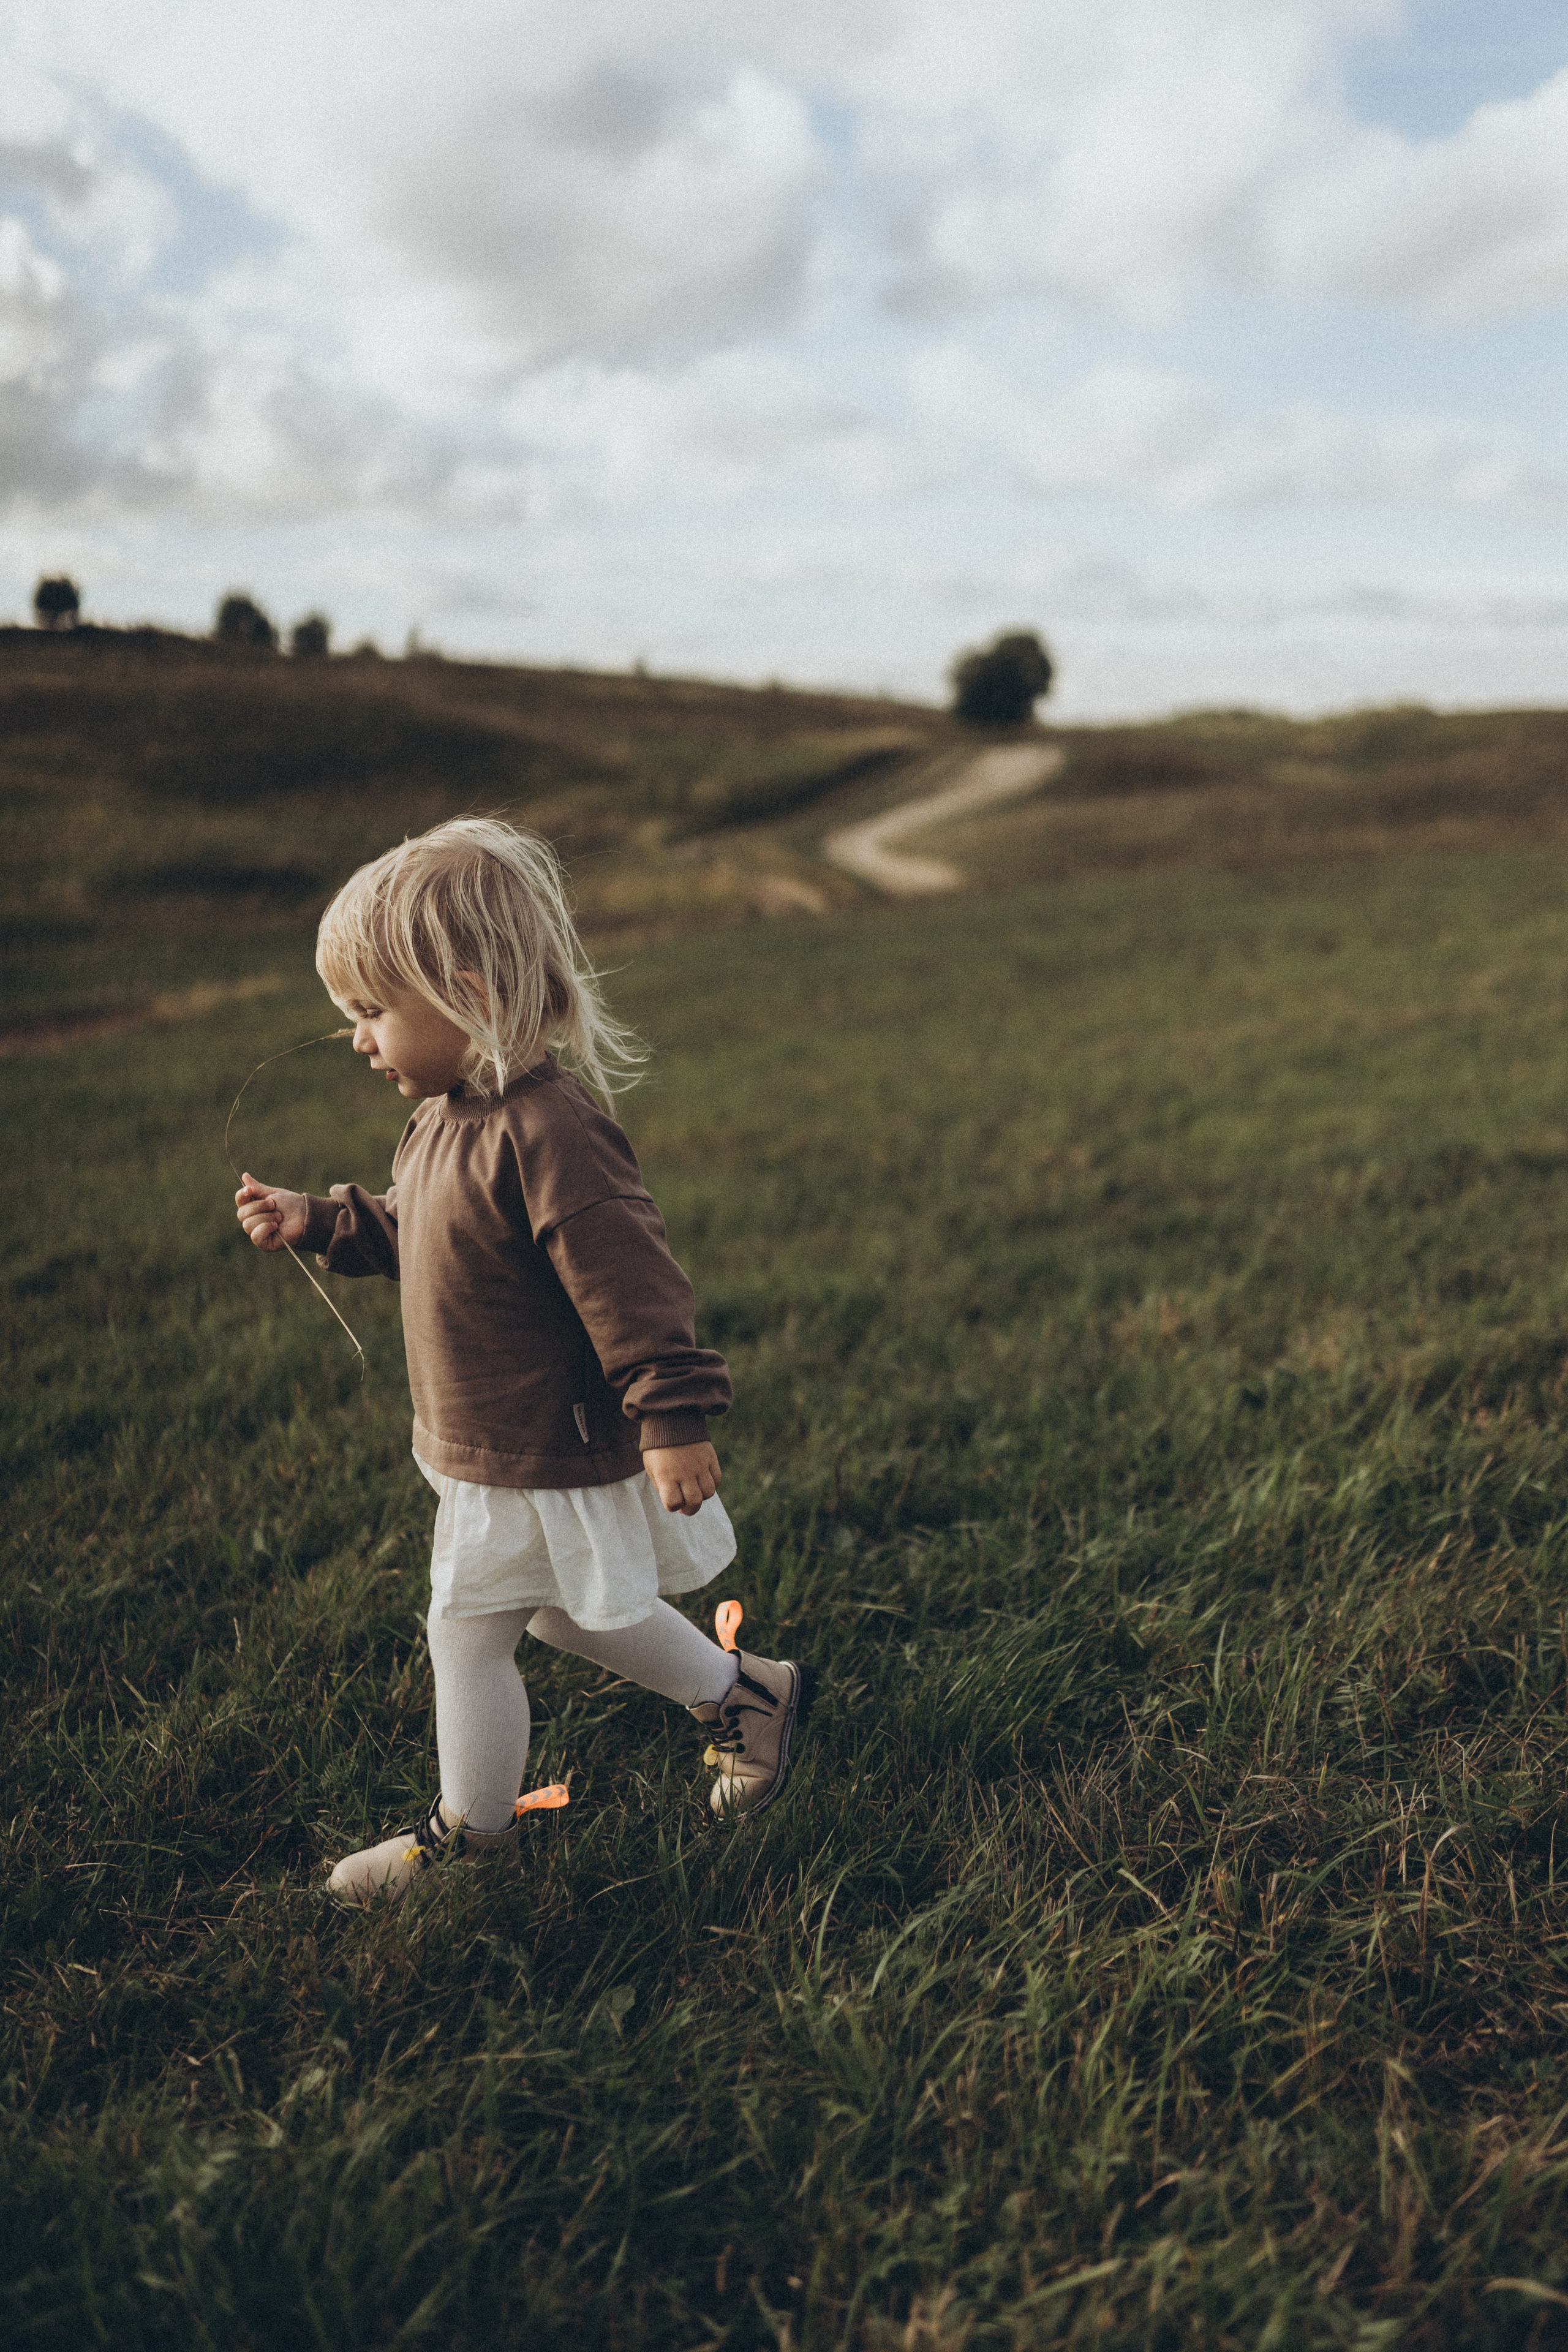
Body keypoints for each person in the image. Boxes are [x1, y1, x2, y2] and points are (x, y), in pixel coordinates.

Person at [235, 816, 811, 1904]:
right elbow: (421, 1226)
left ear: (461, 993)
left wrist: (672, 1415)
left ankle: (474, 1839)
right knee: (563, 1610)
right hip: (493, 1438)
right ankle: (750, 1699)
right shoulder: (442, 1120)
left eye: (371, 1011)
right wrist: (320, 1220)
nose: (358, 1040)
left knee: (465, 1634)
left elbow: (633, 1281)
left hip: (546, 1439)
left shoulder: (551, 1131)